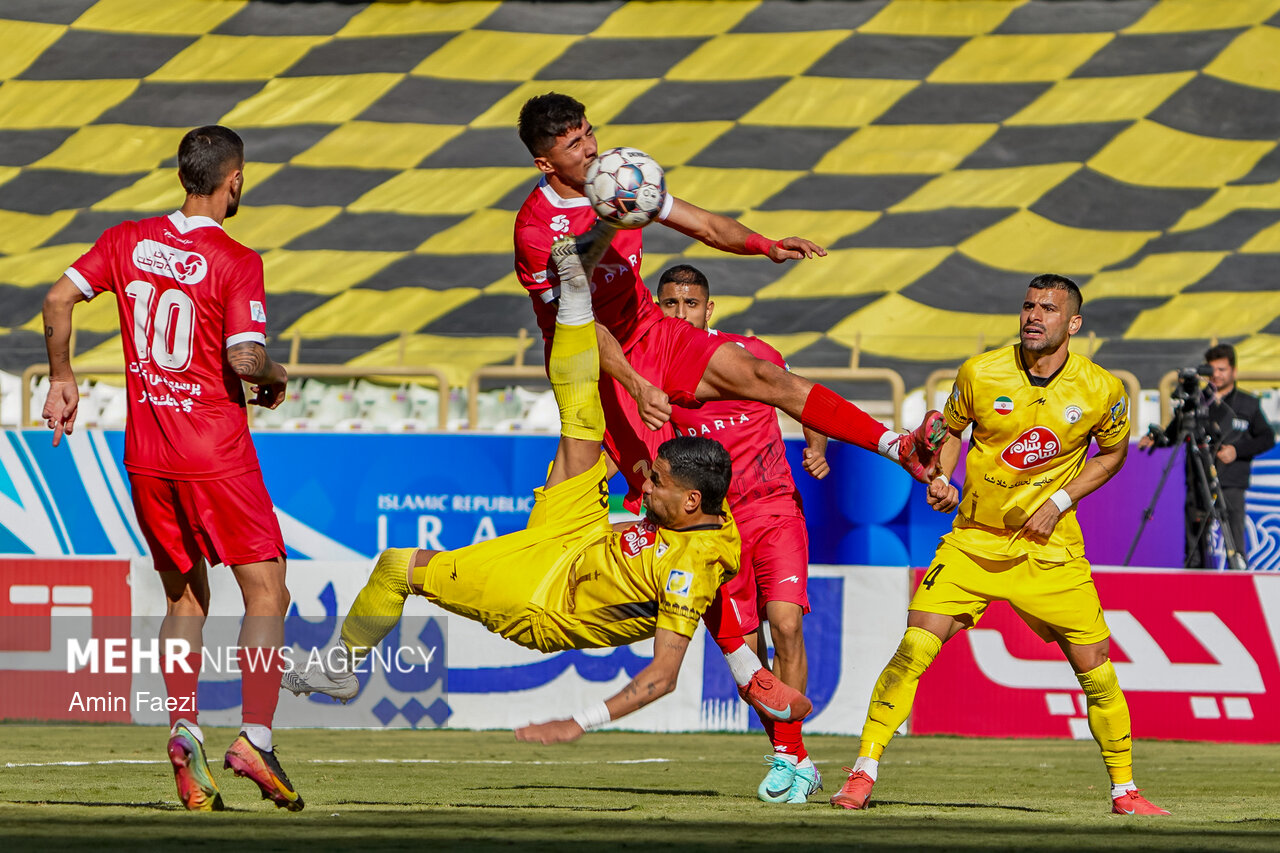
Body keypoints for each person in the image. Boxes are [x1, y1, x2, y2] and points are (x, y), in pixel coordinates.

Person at [282, 236, 813, 741]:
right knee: (580, 415)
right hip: (576, 537)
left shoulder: (694, 562)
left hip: (543, 598)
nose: (642, 486)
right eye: (668, 303)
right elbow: (712, 583)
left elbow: (663, 674)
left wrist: (579, 722)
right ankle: (573, 293)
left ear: (690, 498)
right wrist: (747, 667)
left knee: (398, 566)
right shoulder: (705, 524)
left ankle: (337, 669)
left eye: (656, 481)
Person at [830, 275, 1170, 816]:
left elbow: (1112, 454)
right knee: (914, 648)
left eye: (1049, 309)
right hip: (973, 542)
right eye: (1029, 305)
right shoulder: (979, 372)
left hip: (1050, 547)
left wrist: (1059, 500)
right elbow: (949, 432)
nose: (1035, 315)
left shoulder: (1103, 388)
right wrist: (940, 479)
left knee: (1097, 667)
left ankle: (1125, 792)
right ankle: (861, 773)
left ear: (1073, 323)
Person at [512, 92, 947, 515]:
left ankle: (899, 447)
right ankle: (518, 576)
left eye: (590, 133)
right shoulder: (536, 231)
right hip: (592, 364)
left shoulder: (621, 178)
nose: (591, 148)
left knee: (764, 375)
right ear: (545, 163)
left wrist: (764, 244)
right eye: (574, 144)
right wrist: (635, 383)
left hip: (651, 330)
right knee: (647, 489)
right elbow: (580, 325)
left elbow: (705, 225)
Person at [40, 126, 302, 812]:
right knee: (266, 591)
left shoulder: (127, 239)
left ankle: (184, 731)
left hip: (148, 455)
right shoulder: (237, 259)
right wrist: (276, 377)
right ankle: (254, 738)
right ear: (234, 179)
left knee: (185, 598)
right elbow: (246, 361)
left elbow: (57, 300)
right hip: (216, 455)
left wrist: (62, 377)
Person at [657, 264, 828, 805]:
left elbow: (807, 397)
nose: (680, 313)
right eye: (669, 304)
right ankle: (794, 755)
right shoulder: (655, 372)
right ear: (658, 309)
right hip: (716, 527)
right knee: (747, 657)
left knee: (786, 625)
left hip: (774, 507)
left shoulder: (751, 354)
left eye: (690, 303)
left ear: (709, 310)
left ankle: (787, 756)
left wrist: (817, 447)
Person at [1138, 343, 1275, 568]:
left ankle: (1238, 585)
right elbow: (1174, 432)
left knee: (1234, 540)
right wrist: (1156, 439)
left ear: (1234, 371)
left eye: (1222, 370)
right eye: (1212, 370)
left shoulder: (1248, 403)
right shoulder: (1196, 402)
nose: (1217, 376)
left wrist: (1237, 451)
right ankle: (1195, 585)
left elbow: (1266, 438)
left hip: (1231, 482)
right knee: (1194, 542)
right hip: (1198, 480)